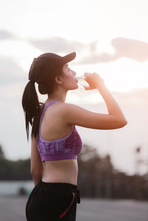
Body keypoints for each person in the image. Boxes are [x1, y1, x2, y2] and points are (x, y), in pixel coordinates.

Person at [22, 52, 127, 221]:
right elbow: (119, 120)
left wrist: (43, 200)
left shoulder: (39, 113)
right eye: (68, 68)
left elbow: (35, 170)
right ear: (58, 79)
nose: (73, 72)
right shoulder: (64, 111)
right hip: (58, 199)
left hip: (42, 198)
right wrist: (101, 86)